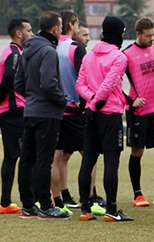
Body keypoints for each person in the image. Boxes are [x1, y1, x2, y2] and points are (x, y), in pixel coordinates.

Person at [76, 16, 132, 222]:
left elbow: (79, 85)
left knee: (88, 160)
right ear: (118, 34)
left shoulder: (89, 55)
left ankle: (85, 209)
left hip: (91, 115)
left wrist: (90, 103)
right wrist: (96, 103)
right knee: (111, 162)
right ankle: (112, 210)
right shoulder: (119, 57)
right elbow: (108, 86)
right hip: (110, 115)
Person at [15, 11, 70, 219]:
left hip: (30, 111)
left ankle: (28, 206)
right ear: (56, 29)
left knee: (27, 160)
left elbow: (19, 83)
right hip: (47, 114)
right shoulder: (48, 52)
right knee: (43, 161)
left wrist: (32, 97)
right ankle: (46, 207)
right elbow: (49, 84)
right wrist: (61, 101)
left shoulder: (27, 50)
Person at [0, 18, 33, 214]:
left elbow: (2, 82)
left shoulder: (13, 52)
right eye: (29, 30)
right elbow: (8, 81)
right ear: (19, 33)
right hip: (13, 111)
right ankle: (30, 200)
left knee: (11, 156)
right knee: (23, 155)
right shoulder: (14, 53)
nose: (32, 33)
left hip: (10, 110)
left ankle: (5, 203)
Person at [123, 18, 154, 207]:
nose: (152, 38)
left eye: (153, 34)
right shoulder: (126, 55)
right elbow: (113, 84)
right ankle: (138, 195)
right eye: (148, 35)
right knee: (138, 151)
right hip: (137, 112)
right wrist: (130, 101)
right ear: (138, 34)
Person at [53, 11, 87, 214]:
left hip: (54, 110)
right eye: (78, 24)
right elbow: (84, 79)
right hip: (74, 109)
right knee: (88, 154)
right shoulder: (75, 48)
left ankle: (58, 199)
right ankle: (90, 198)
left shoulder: (50, 46)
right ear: (72, 24)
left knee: (58, 156)